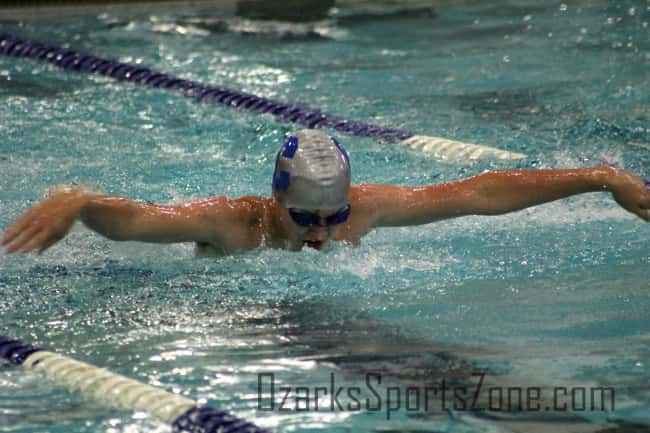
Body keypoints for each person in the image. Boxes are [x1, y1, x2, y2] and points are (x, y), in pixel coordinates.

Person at [2, 129, 649, 256]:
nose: (318, 234)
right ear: (274, 197)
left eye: (330, 215)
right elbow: (142, 222)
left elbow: (479, 192)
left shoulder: (361, 211)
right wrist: (83, 201)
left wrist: (599, 177)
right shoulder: (237, 225)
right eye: (304, 216)